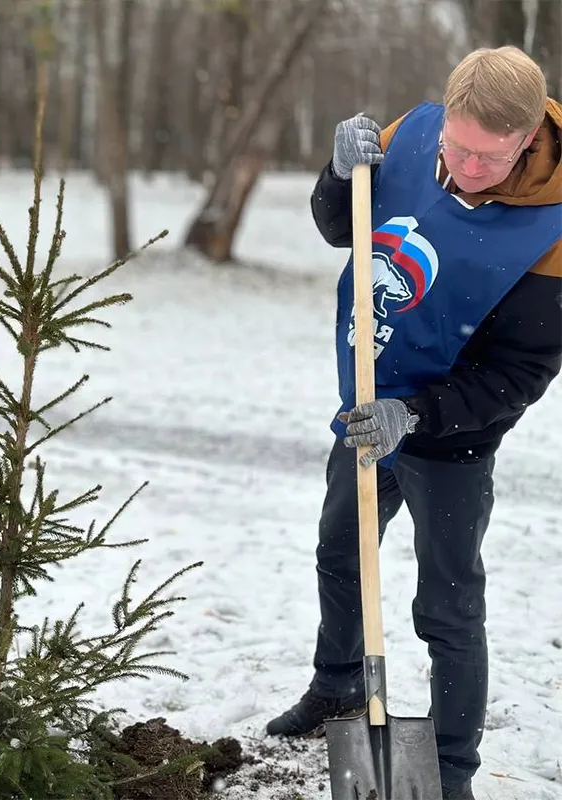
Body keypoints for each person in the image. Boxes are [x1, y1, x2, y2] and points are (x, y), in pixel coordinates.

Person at [264, 46, 561, 800]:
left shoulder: (555, 230)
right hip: (365, 400)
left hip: (451, 437)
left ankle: (451, 770)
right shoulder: (417, 133)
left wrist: (416, 415)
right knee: (340, 553)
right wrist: (339, 173)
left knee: (448, 605)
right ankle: (336, 687)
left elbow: (517, 376)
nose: (460, 166)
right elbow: (343, 228)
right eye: (454, 147)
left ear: (527, 138)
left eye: (485, 158)